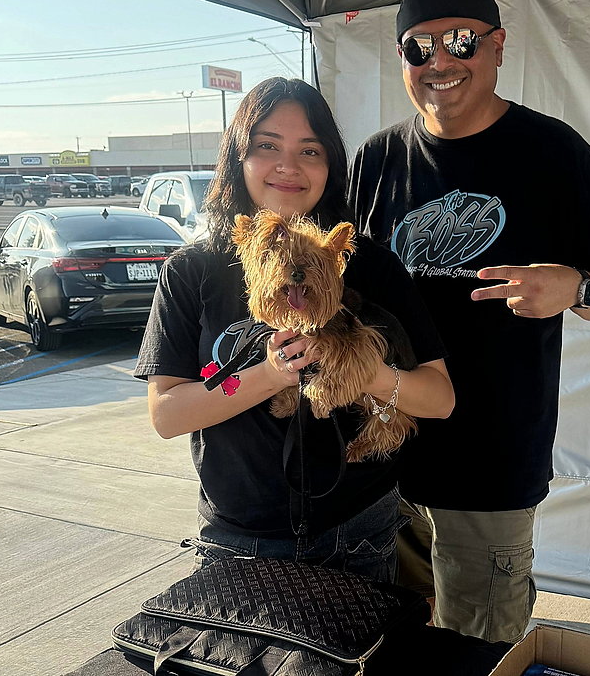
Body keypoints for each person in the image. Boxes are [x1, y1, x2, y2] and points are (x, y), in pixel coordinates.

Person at [347, 0, 590, 641]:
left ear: (498, 45)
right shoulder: (375, 160)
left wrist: (575, 287)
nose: (440, 62)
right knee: (390, 644)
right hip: (381, 462)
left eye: (460, 41)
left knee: (477, 654)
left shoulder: (556, 155)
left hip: (490, 470)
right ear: (401, 58)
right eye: (418, 47)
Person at [136, 77, 454, 583]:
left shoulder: (371, 266)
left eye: (310, 150)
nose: (288, 166)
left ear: (331, 165)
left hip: (359, 531)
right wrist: (270, 374)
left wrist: (368, 372)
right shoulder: (193, 271)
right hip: (238, 541)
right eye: (267, 146)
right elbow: (167, 415)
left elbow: (439, 399)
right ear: (238, 158)